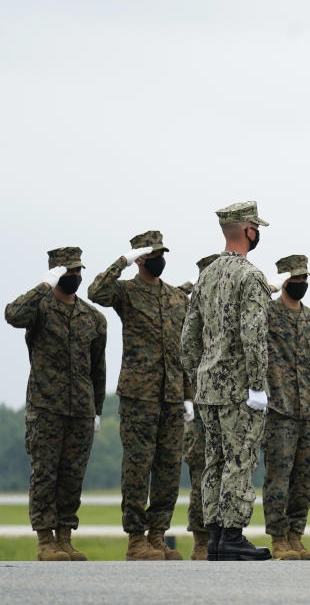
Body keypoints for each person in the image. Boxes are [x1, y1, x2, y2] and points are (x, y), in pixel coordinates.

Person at [88, 231, 191, 561]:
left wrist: (188, 394)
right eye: (153, 254)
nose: (159, 258)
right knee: (137, 466)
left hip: (173, 395)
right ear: (141, 258)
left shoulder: (177, 298)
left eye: (162, 252)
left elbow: (186, 350)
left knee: (169, 467)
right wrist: (123, 262)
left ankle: (158, 535)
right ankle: (136, 539)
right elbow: (95, 291)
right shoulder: (126, 292)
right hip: (139, 394)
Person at [181, 200, 272, 561]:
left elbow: (189, 338)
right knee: (240, 459)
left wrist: (198, 378)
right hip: (238, 389)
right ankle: (232, 534)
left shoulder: (207, 275)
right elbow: (254, 335)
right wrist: (257, 384)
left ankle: (216, 535)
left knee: (215, 460)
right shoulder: (250, 276)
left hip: (208, 388)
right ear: (249, 230)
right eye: (257, 227)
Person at [5, 247, 107, 561]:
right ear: (56, 273)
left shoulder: (93, 317)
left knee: (72, 476)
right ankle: (45, 541)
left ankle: (65, 537)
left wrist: (98, 410)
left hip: (81, 410)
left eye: (78, 270)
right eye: (69, 271)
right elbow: (12, 315)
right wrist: (42, 286)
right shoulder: (39, 308)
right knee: (45, 474)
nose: (75, 276)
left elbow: (97, 369)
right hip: (45, 408)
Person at [260, 254, 310, 560]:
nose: (301, 283)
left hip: (308, 412)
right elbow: (247, 309)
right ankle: (278, 539)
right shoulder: (267, 314)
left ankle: (295, 535)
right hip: (279, 409)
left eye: (305, 279)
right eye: (296, 279)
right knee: (279, 476)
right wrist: (269, 288)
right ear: (284, 281)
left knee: (304, 478)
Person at [181, 254, 219, 560]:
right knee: (200, 476)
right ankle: (200, 540)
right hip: (198, 406)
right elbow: (182, 355)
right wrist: (188, 396)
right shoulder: (189, 308)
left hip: (223, 403)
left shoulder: (223, 310)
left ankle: (224, 534)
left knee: (225, 471)